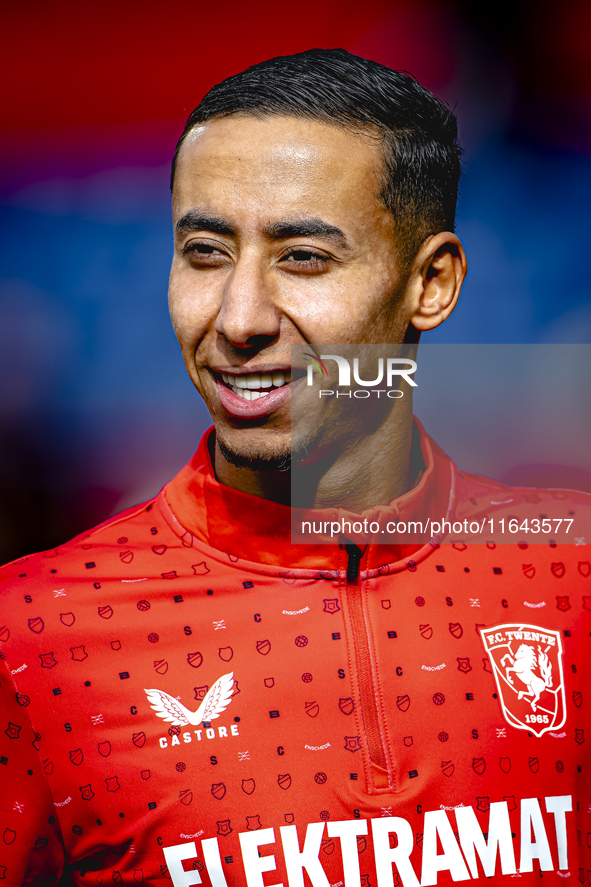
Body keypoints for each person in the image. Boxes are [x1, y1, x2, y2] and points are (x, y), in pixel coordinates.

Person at [0, 48, 589, 887]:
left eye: (303, 258)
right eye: (204, 252)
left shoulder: (568, 577)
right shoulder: (31, 639)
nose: (238, 317)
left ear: (431, 282)